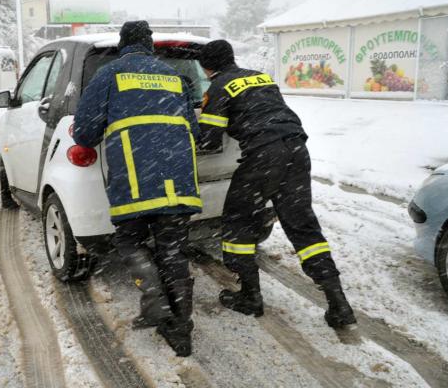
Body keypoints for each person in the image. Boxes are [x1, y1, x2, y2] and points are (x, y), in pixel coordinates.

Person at [197, 39, 356, 329]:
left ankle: (250, 296)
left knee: (238, 221)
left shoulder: (218, 87)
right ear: (231, 58)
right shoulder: (260, 77)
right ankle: (338, 304)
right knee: (302, 224)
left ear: (206, 67)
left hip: (263, 156)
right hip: (296, 149)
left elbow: (208, 140)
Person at [73, 21, 201, 356]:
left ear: (123, 45)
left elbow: (86, 133)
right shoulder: (177, 78)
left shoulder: (111, 75)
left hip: (135, 179)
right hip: (179, 181)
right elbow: (195, 131)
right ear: (150, 46)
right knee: (173, 252)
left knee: (129, 241)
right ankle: (181, 330)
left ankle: (156, 302)